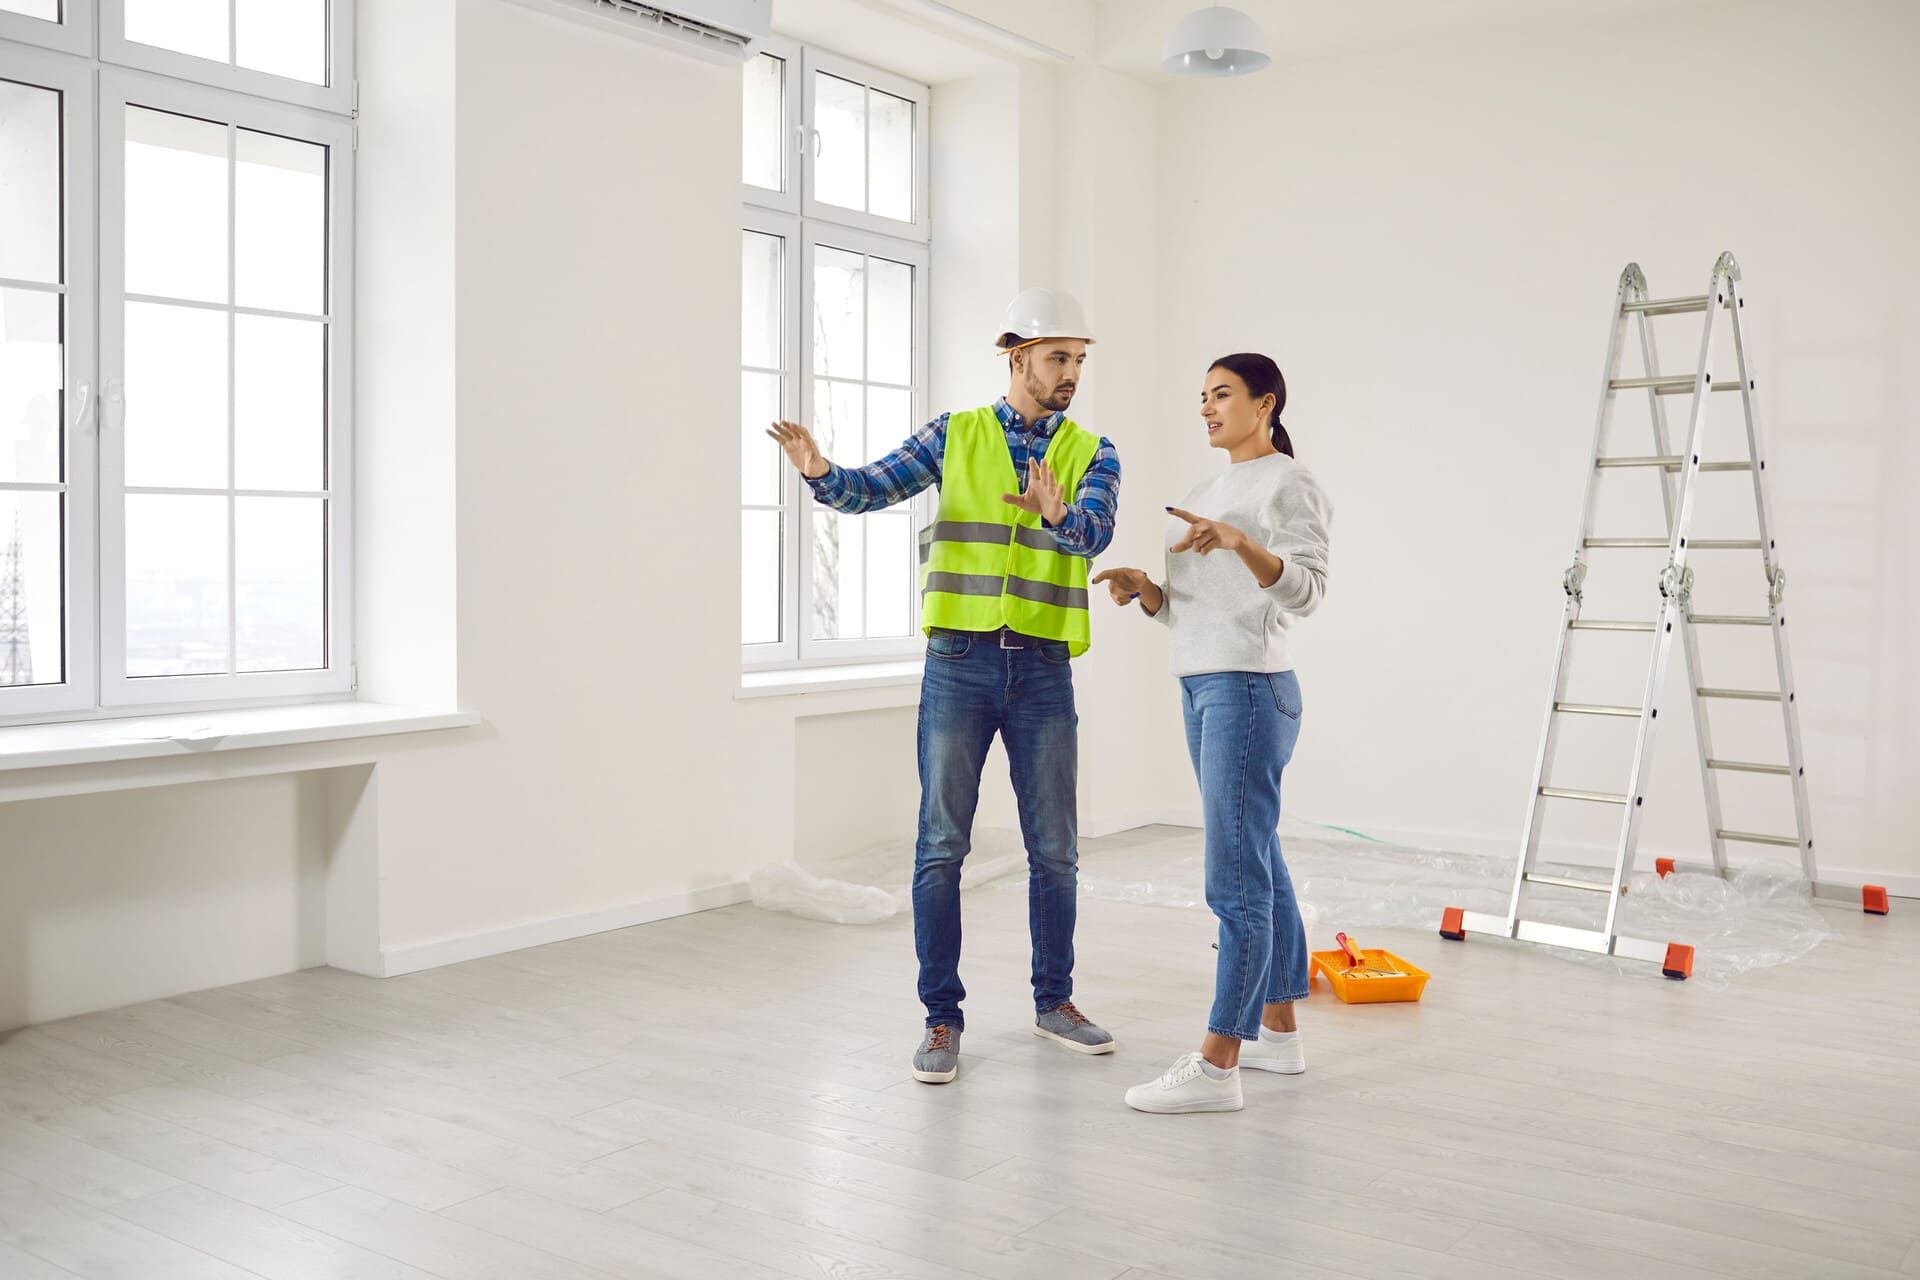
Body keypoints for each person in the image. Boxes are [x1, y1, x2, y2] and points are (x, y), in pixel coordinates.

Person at [767, 288, 1122, 1085]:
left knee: (1056, 851)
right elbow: (875, 486)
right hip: (958, 664)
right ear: (1017, 357)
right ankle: (941, 1017)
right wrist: (821, 471)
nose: (1071, 373)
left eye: (1079, 360)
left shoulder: (1093, 450)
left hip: (1042, 667)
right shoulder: (954, 434)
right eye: (1059, 357)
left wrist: (1058, 513)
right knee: (940, 848)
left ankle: (1054, 1001)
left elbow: (1096, 533)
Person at [1092, 352, 1331, 1115]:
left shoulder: (1289, 484)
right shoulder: (1204, 490)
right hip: (1201, 682)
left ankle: (1219, 1062)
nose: (1206, 409)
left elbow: (1308, 591)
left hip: (1251, 689)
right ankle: (1278, 1031)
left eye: (1221, 395)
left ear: (1266, 403)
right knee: (1256, 856)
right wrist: (1151, 593)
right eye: (1201, 398)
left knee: (1232, 877)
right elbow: (1197, 610)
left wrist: (1242, 543)